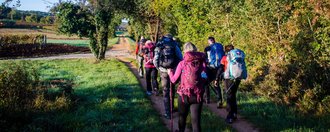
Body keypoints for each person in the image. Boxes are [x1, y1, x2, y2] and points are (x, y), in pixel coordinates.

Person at [167, 42, 207, 132]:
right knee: (196, 122)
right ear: (195, 49)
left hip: (184, 94)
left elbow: (173, 80)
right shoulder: (202, 62)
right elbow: (205, 78)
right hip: (197, 94)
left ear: (185, 51)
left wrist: (170, 73)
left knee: (182, 117)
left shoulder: (182, 63)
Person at [154, 34, 183, 119]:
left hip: (163, 71)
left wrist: (159, 68)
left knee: (165, 91)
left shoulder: (160, 44)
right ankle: (172, 107)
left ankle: (168, 112)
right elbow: (180, 58)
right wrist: (176, 68)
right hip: (173, 70)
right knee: (172, 89)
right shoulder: (174, 44)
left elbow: (155, 59)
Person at [216, 44, 247, 124]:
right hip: (238, 78)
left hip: (228, 78)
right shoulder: (237, 56)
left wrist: (217, 78)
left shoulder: (224, 58)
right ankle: (234, 113)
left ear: (225, 50)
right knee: (233, 95)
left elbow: (220, 68)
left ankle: (230, 116)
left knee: (229, 96)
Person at [204, 37, 225, 108]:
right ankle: (219, 100)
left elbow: (206, 59)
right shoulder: (220, 45)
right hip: (220, 67)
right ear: (214, 40)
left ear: (209, 41)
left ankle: (207, 99)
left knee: (206, 82)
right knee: (216, 83)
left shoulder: (207, 48)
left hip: (211, 67)